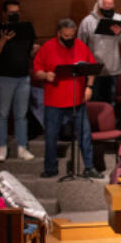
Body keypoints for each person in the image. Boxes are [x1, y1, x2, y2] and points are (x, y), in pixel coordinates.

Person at [32, 18, 100, 179]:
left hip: (77, 100)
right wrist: (45, 75)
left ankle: (89, 167)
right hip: (54, 101)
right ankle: (50, 168)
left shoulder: (81, 46)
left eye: (72, 36)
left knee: (84, 134)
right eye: (66, 36)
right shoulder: (48, 47)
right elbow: (37, 70)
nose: (69, 39)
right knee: (51, 135)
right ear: (59, 34)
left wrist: (89, 87)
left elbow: (92, 68)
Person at [0, 0, 38, 162]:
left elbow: (29, 52)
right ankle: (1, 148)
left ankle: (22, 148)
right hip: (3, 77)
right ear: (5, 13)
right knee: (2, 114)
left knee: (21, 115)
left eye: (17, 13)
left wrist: (34, 51)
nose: (14, 15)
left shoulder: (25, 29)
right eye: (11, 13)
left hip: (23, 77)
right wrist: (4, 38)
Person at [77, 0, 121, 105]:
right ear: (99, 6)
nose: (110, 11)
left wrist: (120, 33)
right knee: (94, 102)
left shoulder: (118, 18)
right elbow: (80, 45)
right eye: (107, 8)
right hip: (94, 70)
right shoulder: (88, 21)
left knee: (110, 103)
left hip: (112, 69)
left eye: (112, 8)